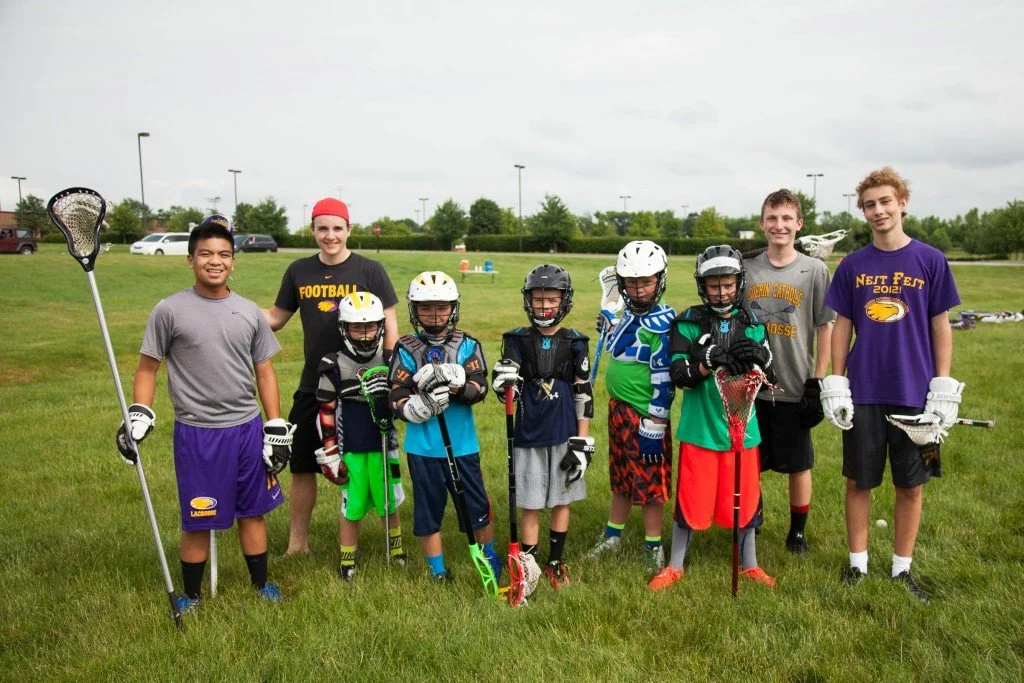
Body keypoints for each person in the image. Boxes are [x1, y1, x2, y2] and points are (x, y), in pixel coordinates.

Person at [117, 215, 293, 611]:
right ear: (190, 259)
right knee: (198, 517)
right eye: (206, 254)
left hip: (246, 430)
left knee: (252, 513)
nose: (215, 261)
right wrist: (140, 412)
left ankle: (262, 585)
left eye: (224, 254)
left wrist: (275, 424)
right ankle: (191, 596)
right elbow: (148, 367)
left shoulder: (249, 312)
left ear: (233, 261)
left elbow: (264, 372)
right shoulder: (169, 310)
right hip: (198, 433)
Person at [821, 167, 961, 602]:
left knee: (910, 485)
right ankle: (857, 565)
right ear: (862, 211)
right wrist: (837, 380)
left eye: (885, 202)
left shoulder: (930, 260)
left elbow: (941, 325)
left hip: (915, 392)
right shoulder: (853, 265)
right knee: (858, 481)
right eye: (869, 205)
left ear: (902, 203)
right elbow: (842, 326)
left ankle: (902, 570)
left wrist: (941, 384)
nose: (878, 211)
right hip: (863, 388)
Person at [263, 198, 399, 556]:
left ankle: (392, 544)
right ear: (312, 230)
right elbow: (276, 317)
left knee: (376, 459)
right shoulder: (298, 270)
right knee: (303, 465)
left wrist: (395, 376)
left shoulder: (370, 270)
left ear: (349, 229)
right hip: (315, 384)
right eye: (322, 228)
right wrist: (230, 306)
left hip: (364, 386)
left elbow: (391, 329)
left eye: (337, 228)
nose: (330, 235)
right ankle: (298, 544)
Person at [649, 245, 776, 591]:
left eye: (728, 284)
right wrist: (704, 361)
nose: (721, 292)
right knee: (691, 498)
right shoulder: (688, 322)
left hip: (743, 428)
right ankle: (675, 564)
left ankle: (750, 563)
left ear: (739, 282)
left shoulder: (752, 321)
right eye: (714, 285)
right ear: (702, 286)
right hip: (701, 426)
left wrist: (759, 359)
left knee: (746, 498)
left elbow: (769, 374)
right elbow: (678, 373)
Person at [388, 271, 501, 581]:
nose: (434, 315)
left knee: (476, 506)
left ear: (454, 307)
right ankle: (437, 569)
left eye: (441, 307)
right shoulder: (406, 347)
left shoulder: (467, 345)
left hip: (462, 444)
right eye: (426, 308)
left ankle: (489, 557)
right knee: (428, 510)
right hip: (423, 447)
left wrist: (457, 386)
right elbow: (395, 392)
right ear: (413, 309)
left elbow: (480, 388)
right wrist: (411, 408)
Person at [743, 190, 835, 554]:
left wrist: (818, 380)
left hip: (795, 383)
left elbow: (825, 325)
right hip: (750, 385)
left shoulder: (814, 270)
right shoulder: (747, 267)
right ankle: (754, 518)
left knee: (799, 464)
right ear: (762, 223)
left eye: (786, 219)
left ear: (799, 224)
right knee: (750, 460)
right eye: (772, 218)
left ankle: (797, 531)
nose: (778, 225)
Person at [492, 264, 594, 589]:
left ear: (564, 301)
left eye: (552, 299)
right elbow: (509, 387)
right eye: (538, 300)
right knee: (531, 503)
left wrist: (583, 441)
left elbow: (584, 393)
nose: (545, 306)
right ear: (528, 301)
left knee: (561, 501)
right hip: (529, 434)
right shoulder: (517, 340)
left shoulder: (575, 342)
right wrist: (503, 384)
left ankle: (555, 562)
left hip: (564, 434)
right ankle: (529, 563)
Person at [586, 241, 676, 579]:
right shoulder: (626, 316)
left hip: (645, 417)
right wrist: (609, 327)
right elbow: (618, 348)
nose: (638, 289)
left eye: (646, 281)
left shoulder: (664, 322)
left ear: (660, 279)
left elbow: (664, 378)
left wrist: (655, 422)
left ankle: (653, 543)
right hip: (618, 411)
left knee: (650, 482)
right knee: (621, 476)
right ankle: (612, 535)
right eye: (631, 282)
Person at [314, 292, 407, 580]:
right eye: (357, 327)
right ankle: (347, 560)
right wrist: (329, 451)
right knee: (352, 504)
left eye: (370, 327)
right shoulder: (333, 362)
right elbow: (326, 410)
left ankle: (397, 551)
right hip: (350, 444)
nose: (365, 334)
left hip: (384, 443)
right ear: (344, 328)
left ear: (380, 326)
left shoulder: (391, 358)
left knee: (388, 499)